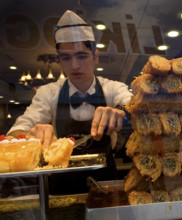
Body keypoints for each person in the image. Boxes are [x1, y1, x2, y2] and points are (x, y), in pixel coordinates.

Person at [7, 10, 132, 194]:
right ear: (59, 60)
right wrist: (29, 135)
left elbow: (133, 103)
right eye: (66, 57)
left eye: (81, 56)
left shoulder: (112, 88)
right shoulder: (48, 93)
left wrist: (121, 111)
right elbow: (17, 131)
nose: (74, 65)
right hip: (61, 185)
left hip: (106, 183)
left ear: (95, 56)